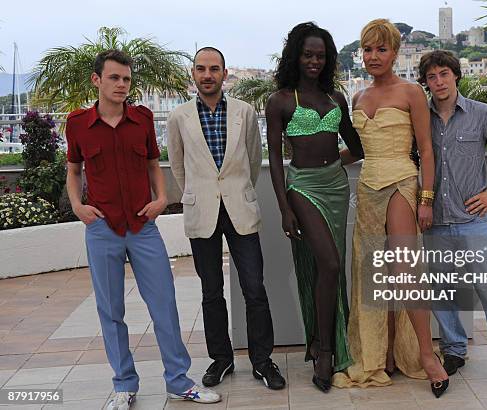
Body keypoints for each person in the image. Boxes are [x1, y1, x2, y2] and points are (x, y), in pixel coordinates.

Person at [65, 50, 220, 410]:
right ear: (97, 80)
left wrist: (162, 197)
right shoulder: (77, 124)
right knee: (110, 309)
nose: (122, 85)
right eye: (115, 78)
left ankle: (179, 382)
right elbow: (74, 170)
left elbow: (154, 164)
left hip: (142, 225)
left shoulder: (142, 119)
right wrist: (77, 206)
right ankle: (124, 385)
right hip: (102, 228)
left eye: (127, 79)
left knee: (164, 304)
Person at [333, 19, 449, 398]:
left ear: (395, 54)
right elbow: (361, 152)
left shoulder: (412, 92)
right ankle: (376, 355)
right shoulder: (358, 97)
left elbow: (426, 150)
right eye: (367, 50)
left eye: (381, 49)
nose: (373, 56)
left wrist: (425, 198)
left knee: (405, 272)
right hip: (367, 187)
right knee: (370, 273)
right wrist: (323, 160)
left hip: (401, 182)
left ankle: (427, 357)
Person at [167, 46, 286, 391]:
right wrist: (198, 192)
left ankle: (262, 362)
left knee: (254, 289)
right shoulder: (179, 117)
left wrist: (232, 189)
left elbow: (252, 160)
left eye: (214, 68)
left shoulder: (245, 112)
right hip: (201, 209)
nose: (207, 74)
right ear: (193, 73)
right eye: (201, 68)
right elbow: (178, 165)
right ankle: (222, 359)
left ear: (224, 73)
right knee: (210, 292)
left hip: (240, 208)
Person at [418, 50, 487, 390]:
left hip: (472, 220)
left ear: (456, 76)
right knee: (442, 290)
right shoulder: (421, 119)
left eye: (444, 75)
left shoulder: (482, 113)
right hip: (435, 222)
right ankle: (453, 350)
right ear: (426, 83)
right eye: (432, 77)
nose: (438, 82)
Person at [266, 22, 364, 392]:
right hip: (302, 188)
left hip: (336, 187)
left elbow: (357, 148)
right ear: (295, 55)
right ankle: (324, 351)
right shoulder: (280, 100)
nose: (314, 61)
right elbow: (275, 160)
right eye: (308, 54)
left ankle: (324, 341)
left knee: (330, 268)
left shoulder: (336, 98)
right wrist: (284, 207)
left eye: (320, 56)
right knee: (330, 263)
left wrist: (334, 162)